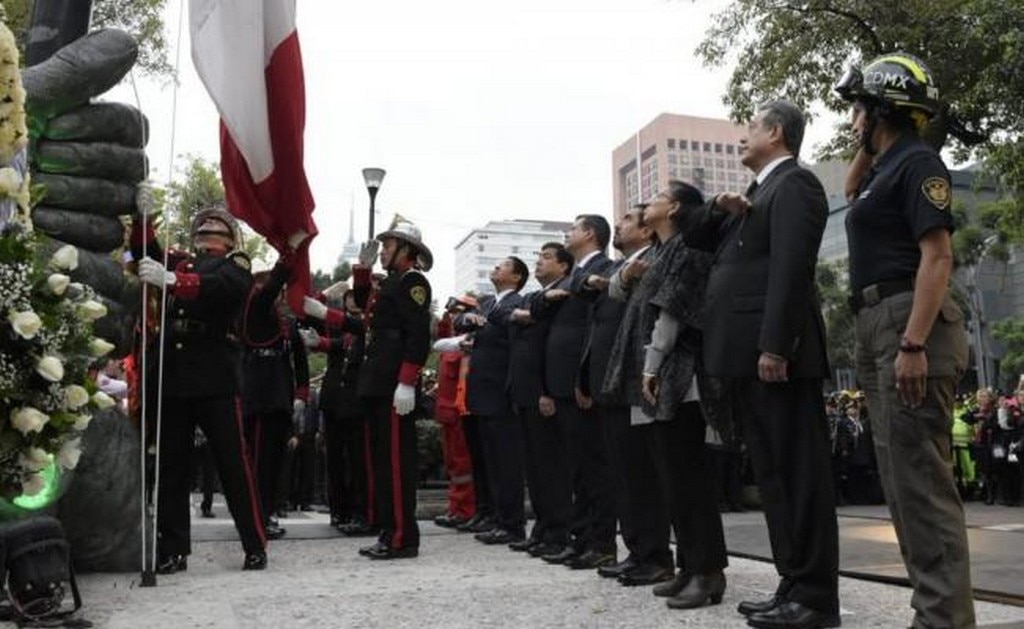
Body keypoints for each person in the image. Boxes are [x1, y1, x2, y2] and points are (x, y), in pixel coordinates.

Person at [686, 100, 839, 628]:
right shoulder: (753, 195)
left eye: (751, 128)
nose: (742, 137)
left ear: (775, 132)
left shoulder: (794, 184)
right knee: (774, 477)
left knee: (799, 476)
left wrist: (777, 344)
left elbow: (792, 269)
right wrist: (716, 208)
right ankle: (792, 584)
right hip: (748, 357)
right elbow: (695, 239)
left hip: (778, 356)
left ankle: (816, 598)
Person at [837, 52, 975, 629]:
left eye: (858, 110)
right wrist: (870, 137)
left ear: (882, 111)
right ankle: (932, 611)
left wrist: (914, 344)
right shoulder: (883, 166)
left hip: (908, 320)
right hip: (878, 320)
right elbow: (850, 192)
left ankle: (944, 619)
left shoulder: (921, 164)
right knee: (899, 480)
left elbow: (937, 255)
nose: (851, 121)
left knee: (920, 481)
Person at [605, 181, 729, 608]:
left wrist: (652, 363)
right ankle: (690, 566)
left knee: (689, 480)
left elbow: (673, 310)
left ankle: (709, 571)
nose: (646, 205)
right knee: (672, 480)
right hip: (657, 377)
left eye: (656, 198)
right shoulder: (660, 252)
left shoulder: (687, 248)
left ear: (673, 208)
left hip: (681, 377)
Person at [133, 208, 267, 572]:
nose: (206, 230)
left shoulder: (234, 264)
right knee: (172, 467)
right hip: (175, 374)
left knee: (232, 464)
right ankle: (173, 549)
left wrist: (174, 282)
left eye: (215, 228)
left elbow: (226, 290)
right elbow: (143, 253)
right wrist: (141, 218)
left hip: (213, 373)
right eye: (202, 227)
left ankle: (254, 542)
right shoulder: (180, 261)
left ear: (228, 239)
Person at [303, 219, 433, 560]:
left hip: (393, 383)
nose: (384, 250)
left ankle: (402, 537)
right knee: (382, 462)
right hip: (378, 383)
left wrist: (407, 381)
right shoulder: (392, 282)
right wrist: (360, 271)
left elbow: (418, 336)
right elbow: (367, 318)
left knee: (394, 464)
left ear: (408, 250)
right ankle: (390, 532)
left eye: (390, 245)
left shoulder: (413, 281)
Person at [530, 215, 617, 570]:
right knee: (578, 469)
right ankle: (581, 540)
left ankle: (602, 543)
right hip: (563, 384)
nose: (568, 233)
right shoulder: (573, 277)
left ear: (590, 234)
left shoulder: (603, 269)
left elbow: (593, 332)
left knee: (594, 469)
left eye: (575, 227)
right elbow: (536, 307)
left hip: (582, 385)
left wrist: (584, 379)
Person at [508, 243, 574, 558]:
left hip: (542, 391)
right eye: (538, 257)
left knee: (551, 468)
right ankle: (543, 529)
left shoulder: (562, 293)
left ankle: (558, 532)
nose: (539, 262)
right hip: (524, 390)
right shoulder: (538, 296)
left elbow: (550, 347)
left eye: (547, 257)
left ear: (564, 267)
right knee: (534, 468)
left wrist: (546, 390)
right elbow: (508, 314)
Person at [457, 258, 529, 545]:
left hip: (502, 393)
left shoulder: (516, 304)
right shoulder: (488, 303)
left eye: (503, 266)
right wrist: (468, 319)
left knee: (507, 463)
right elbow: (462, 319)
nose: (496, 269)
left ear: (516, 276)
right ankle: (497, 518)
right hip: (482, 394)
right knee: (490, 462)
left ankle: (512, 523)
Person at [240, 256, 310, 540]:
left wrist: (301, 396)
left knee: (273, 462)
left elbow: (300, 362)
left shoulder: (287, 324)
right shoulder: (253, 309)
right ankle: (255, 516)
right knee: (257, 462)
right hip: (258, 394)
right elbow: (267, 292)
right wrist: (288, 255)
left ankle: (266, 513)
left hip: (279, 395)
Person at [431, 295, 479, 530]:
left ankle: (465, 510)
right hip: (447, 414)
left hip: (459, 413)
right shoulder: (452, 343)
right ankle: (455, 508)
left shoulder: (467, 344)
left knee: (463, 465)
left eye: (458, 311)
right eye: (451, 312)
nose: (452, 316)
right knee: (452, 464)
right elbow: (439, 338)